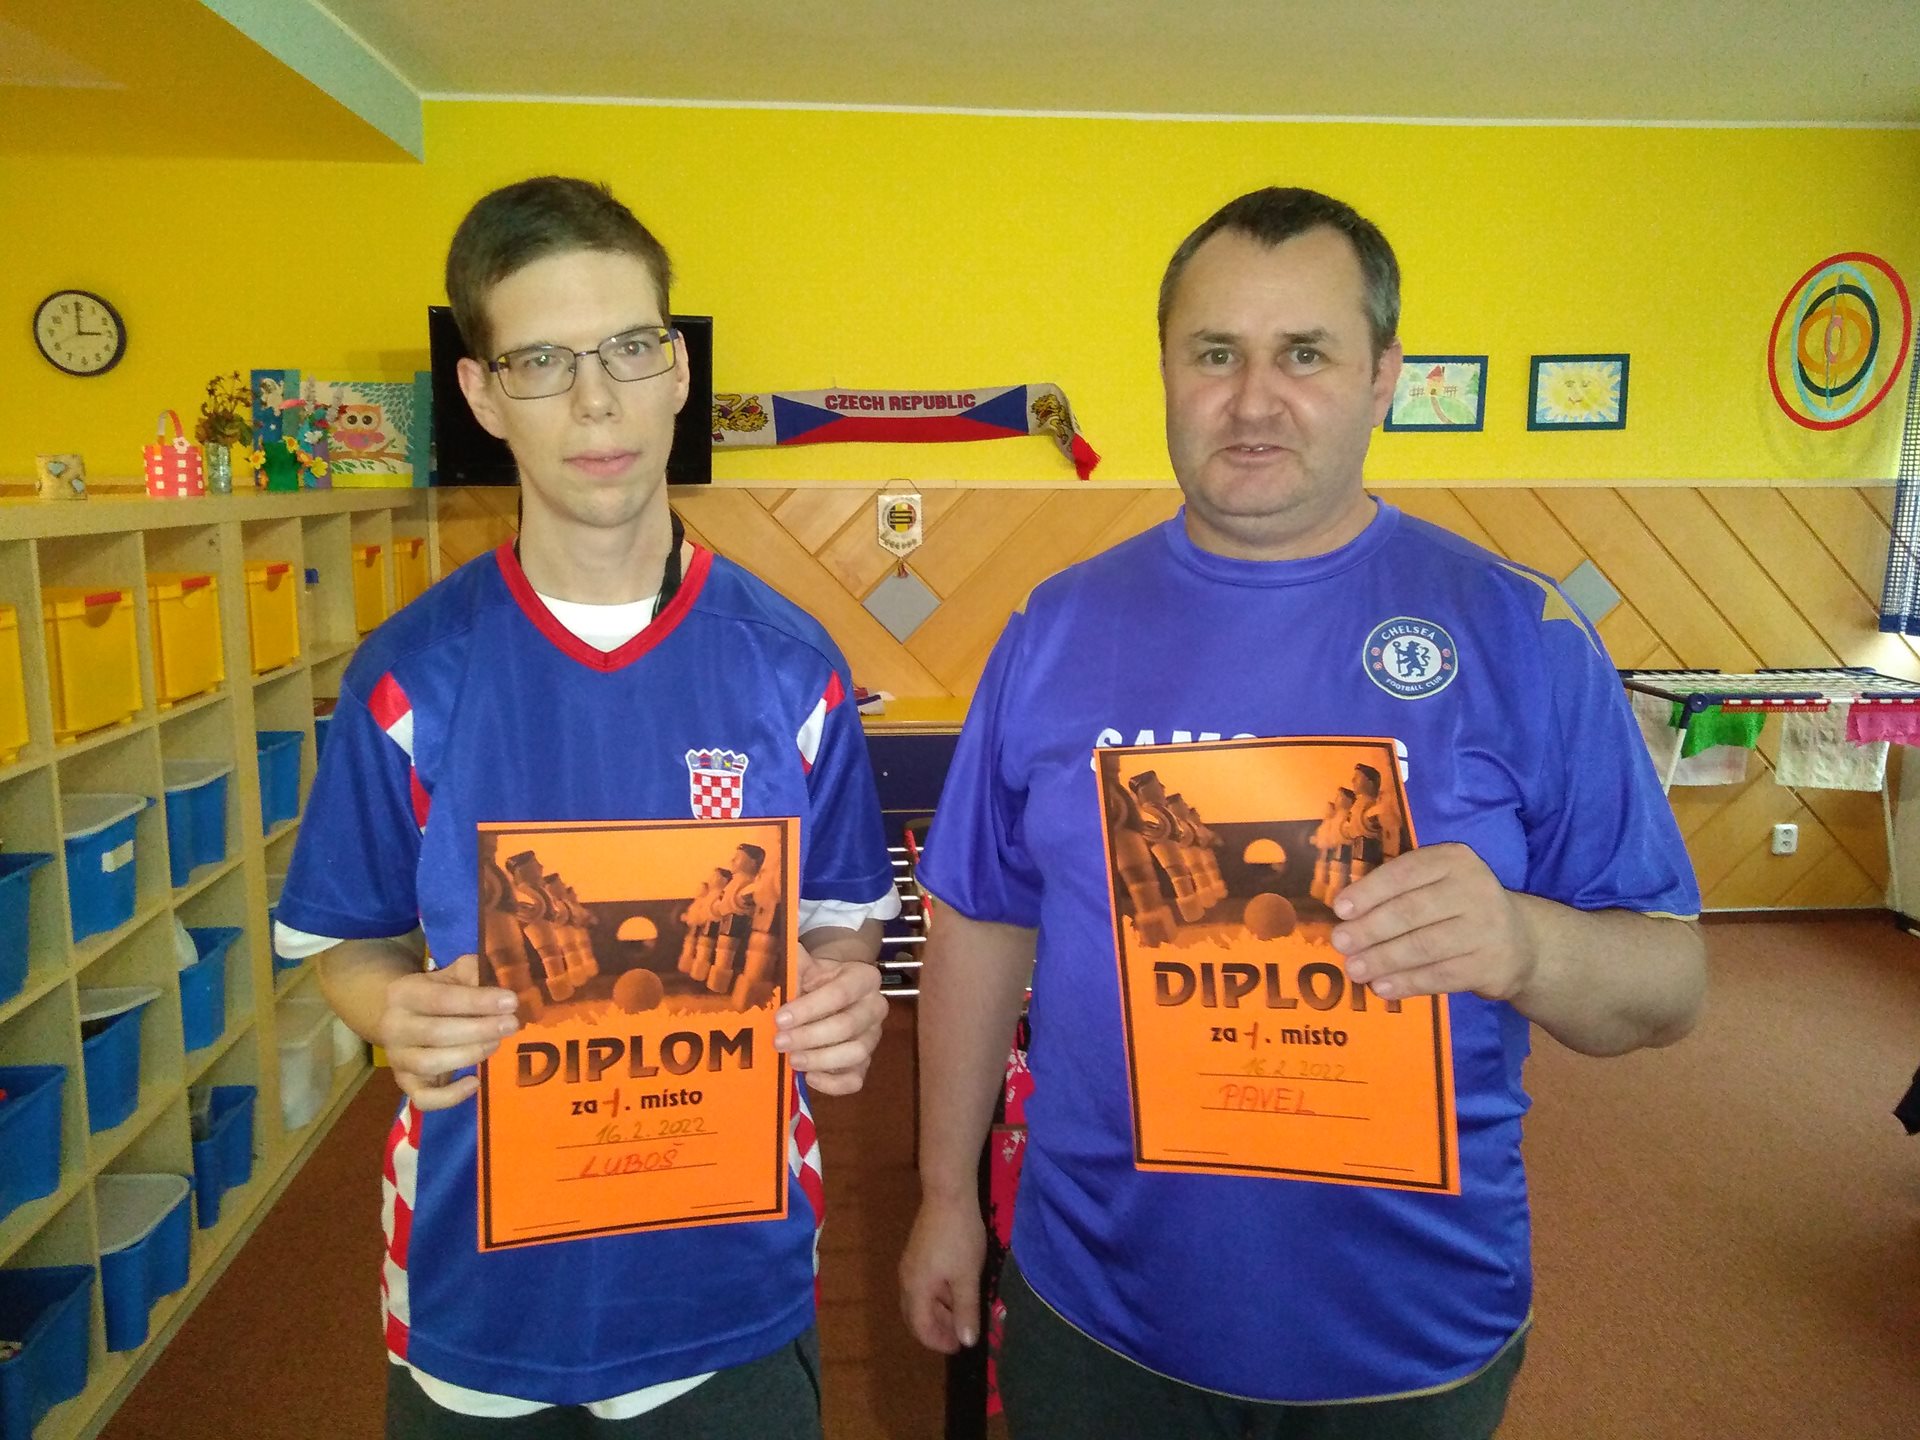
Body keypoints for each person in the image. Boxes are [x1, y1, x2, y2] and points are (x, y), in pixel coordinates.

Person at [898, 185, 1705, 1439]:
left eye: (1306, 355)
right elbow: (981, 922)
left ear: (1385, 376)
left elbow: (1670, 985)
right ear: (1166, 370)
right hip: (1101, 1313)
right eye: (1215, 353)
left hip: (1408, 1340)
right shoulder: (1054, 627)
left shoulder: (1521, 630)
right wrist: (946, 1193)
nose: (1254, 401)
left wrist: (1526, 944)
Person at [275, 175, 899, 1438]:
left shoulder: (792, 668)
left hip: (728, 1284)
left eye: (627, 348)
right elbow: (347, 939)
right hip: (482, 1287)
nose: (596, 400)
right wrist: (392, 1010)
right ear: (482, 395)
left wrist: (844, 999)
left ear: (678, 370)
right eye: (543, 362)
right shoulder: (412, 678)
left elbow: (838, 923)